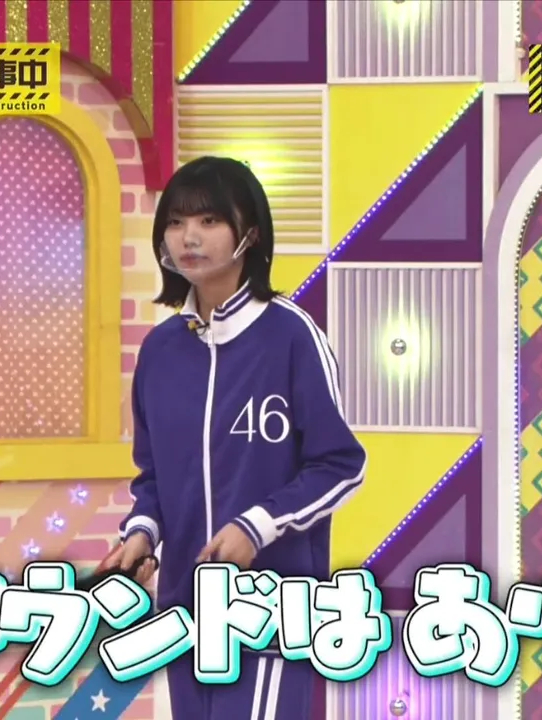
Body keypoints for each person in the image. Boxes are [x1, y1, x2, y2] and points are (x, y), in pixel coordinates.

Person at [100, 156, 367, 719]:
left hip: (269, 609)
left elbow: (341, 465)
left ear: (250, 233)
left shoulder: (291, 336)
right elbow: (154, 476)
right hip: (185, 613)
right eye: (176, 222)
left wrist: (257, 526)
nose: (189, 237)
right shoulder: (160, 351)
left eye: (209, 220)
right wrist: (142, 533)